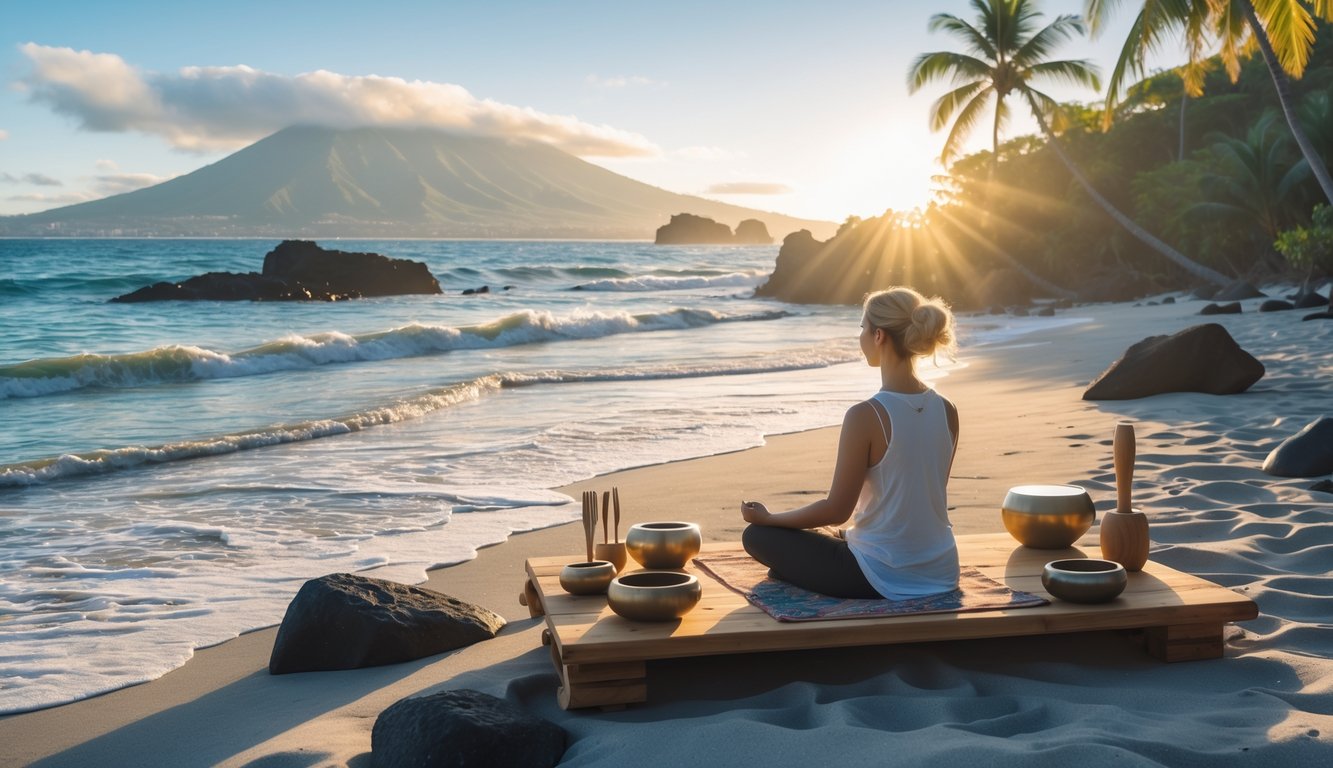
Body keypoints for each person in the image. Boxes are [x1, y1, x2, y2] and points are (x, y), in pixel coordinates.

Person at [740, 286, 960, 599]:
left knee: (757, 537)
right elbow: (920, 500)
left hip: (879, 576)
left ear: (879, 336)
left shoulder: (867, 414)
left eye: (862, 328)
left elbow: (836, 509)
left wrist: (769, 518)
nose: (860, 337)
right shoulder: (947, 409)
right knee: (815, 542)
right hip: (942, 570)